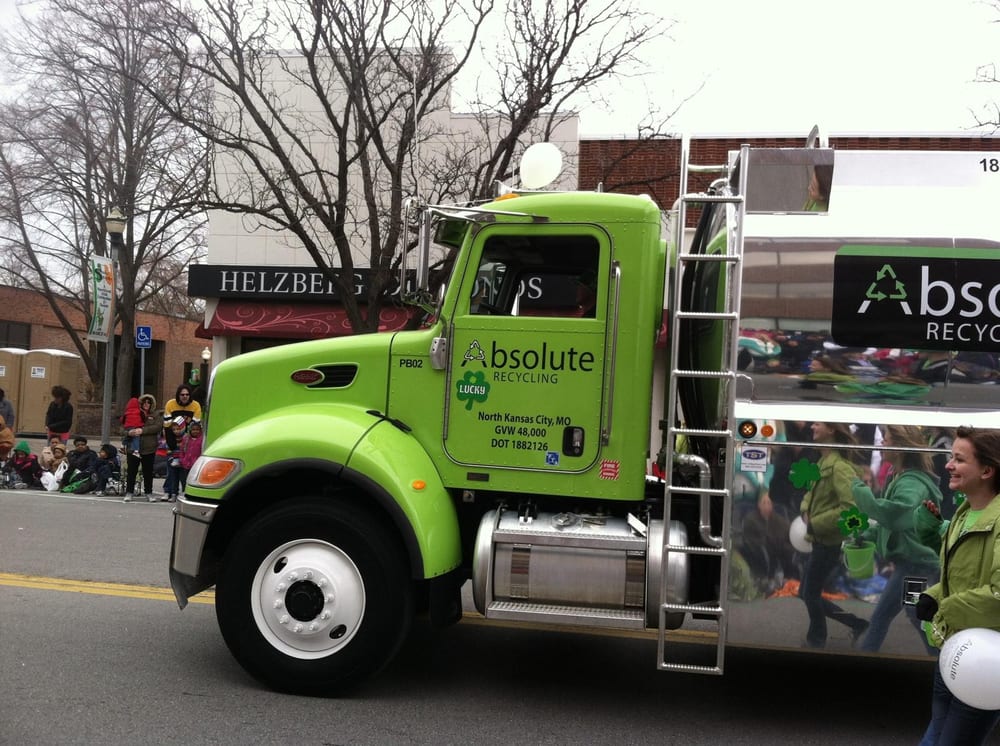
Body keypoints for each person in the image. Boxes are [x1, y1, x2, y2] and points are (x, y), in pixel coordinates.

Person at [914, 426, 1000, 745]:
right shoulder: (965, 512)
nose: (948, 465)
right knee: (935, 734)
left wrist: (944, 607)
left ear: (987, 470)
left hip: (986, 665)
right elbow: (959, 576)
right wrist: (934, 594)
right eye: (951, 457)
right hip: (954, 649)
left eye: (959, 459)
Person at [851, 425, 942, 653]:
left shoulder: (912, 483)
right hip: (915, 563)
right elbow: (891, 526)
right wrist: (868, 535)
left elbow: (896, 515)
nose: (881, 443)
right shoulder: (898, 476)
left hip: (915, 565)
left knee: (882, 615)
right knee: (913, 613)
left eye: (886, 439)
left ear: (899, 448)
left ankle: (941, 659)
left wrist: (862, 494)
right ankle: (940, 659)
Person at [798, 421, 870, 648]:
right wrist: (805, 510)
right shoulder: (823, 462)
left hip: (828, 542)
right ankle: (856, 624)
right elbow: (811, 492)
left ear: (831, 430)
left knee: (808, 593)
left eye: (817, 424)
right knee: (807, 592)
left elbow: (850, 509)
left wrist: (815, 523)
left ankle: (816, 639)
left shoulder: (840, 468)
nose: (812, 427)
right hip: (820, 540)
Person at [123, 393, 162, 503]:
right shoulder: (132, 412)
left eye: (149, 402)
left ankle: (149, 492)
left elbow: (158, 427)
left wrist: (143, 430)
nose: (146, 404)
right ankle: (129, 492)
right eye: (144, 402)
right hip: (133, 447)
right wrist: (129, 432)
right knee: (131, 471)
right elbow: (122, 428)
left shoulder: (155, 415)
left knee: (148, 472)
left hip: (149, 448)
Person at [162, 384, 202, 452]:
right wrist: (171, 445)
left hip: (189, 442)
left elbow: (195, 427)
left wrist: (188, 445)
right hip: (173, 440)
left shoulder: (196, 405)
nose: (185, 396)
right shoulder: (170, 404)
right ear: (178, 395)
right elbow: (167, 426)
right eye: (182, 394)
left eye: (187, 394)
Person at [175, 419, 203, 501]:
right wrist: (182, 460)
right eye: (193, 430)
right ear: (190, 430)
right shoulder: (186, 438)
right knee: (184, 480)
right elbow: (182, 450)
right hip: (185, 464)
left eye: (197, 430)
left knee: (194, 481)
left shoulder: (202, 439)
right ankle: (185, 492)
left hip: (196, 465)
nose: (195, 431)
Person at [162, 416, 187, 501]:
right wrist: (171, 458)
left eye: (178, 429)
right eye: (174, 429)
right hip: (172, 460)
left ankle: (184, 493)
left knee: (183, 478)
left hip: (183, 461)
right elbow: (169, 449)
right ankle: (173, 493)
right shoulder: (171, 437)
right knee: (172, 477)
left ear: (183, 427)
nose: (176, 431)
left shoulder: (186, 437)